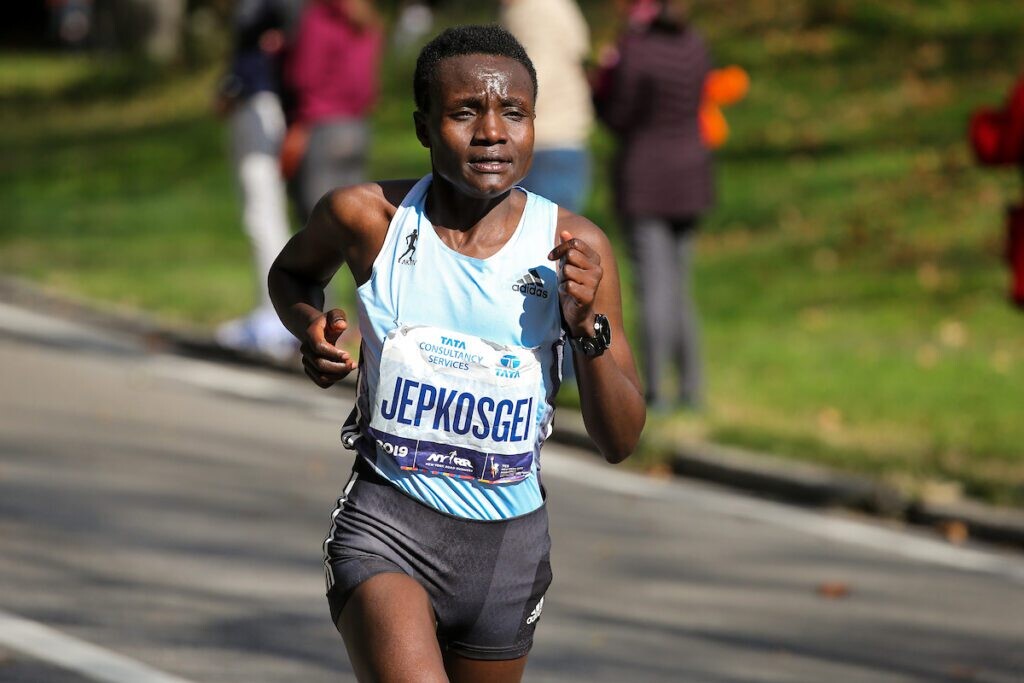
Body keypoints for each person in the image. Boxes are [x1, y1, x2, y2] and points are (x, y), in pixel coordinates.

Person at [268, 24, 645, 682]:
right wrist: (311, 328)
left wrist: (586, 325)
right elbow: (292, 274)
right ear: (423, 126)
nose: (492, 132)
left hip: (506, 551)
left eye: (514, 113)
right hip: (388, 525)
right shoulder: (368, 218)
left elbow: (620, 439)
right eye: (466, 112)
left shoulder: (573, 246)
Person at [596, 0, 714, 410]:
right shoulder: (696, 45)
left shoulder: (637, 51)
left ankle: (657, 391)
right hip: (691, 175)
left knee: (653, 289)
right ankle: (692, 388)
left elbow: (618, 114)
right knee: (679, 286)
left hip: (646, 177)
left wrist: (601, 81)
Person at [214, 0, 302, 361]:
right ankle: (273, 314)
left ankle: (276, 318)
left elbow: (296, 20)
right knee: (260, 215)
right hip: (251, 102)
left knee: (263, 216)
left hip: (262, 107)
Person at [284, 0, 383, 224]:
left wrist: (285, 53)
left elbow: (303, 76)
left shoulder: (319, 18)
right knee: (354, 218)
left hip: (323, 126)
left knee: (318, 219)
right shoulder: (365, 20)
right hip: (357, 127)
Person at [500, 0, 594, 214]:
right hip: (555, 140)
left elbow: (534, 78)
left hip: (545, 144)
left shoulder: (536, 10)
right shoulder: (547, 7)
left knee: (544, 229)